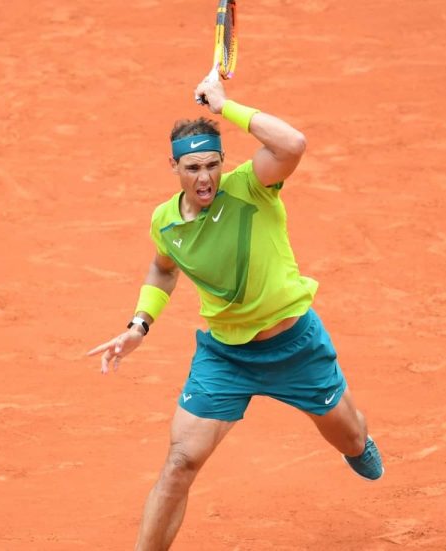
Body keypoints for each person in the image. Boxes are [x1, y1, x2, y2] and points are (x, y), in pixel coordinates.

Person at [88, 77, 384, 550]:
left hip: (296, 349)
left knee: (351, 440)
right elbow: (163, 270)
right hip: (225, 358)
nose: (204, 178)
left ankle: (357, 442)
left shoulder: (252, 187)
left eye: (211, 165)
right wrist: (139, 325)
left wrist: (227, 108)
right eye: (192, 168)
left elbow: (293, 143)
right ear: (173, 167)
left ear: (224, 162)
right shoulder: (165, 221)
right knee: (181, 460)